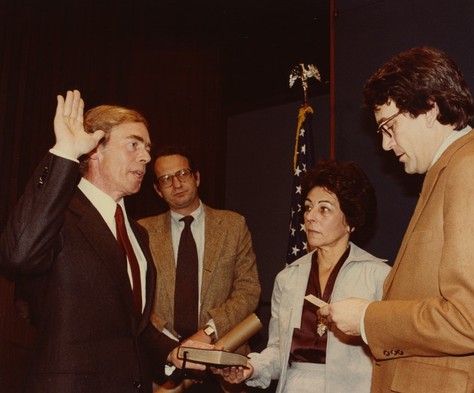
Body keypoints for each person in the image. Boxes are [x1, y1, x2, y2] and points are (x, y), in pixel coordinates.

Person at [0, 90, 212, 393]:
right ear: (96, 149)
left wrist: (171, 352)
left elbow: (129, 327)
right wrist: (64, 152)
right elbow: (18, 253)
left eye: (147, 147)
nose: (146, 157)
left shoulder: (138, 234)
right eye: (134, 144)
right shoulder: (59, 213)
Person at [319, 46, 474, 392]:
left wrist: (368, 319)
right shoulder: (449, 171)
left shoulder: (472, 167)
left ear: (430, 109)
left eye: (390, 127)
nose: (387, 146)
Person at [214, 159, 391, 392]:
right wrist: (251, 367)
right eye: (308, 207)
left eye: (324, 209)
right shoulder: (287, 279)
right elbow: (278, 352)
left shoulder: (379, 276)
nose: (310, 217)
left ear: (350, 220)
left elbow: (390, 354)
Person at [138, 146, 261, 392]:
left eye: (182, 174)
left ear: (197, 177)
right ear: (157, 190)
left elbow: (248, 291)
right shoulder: (142, 231)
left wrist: (206, 334)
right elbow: (136, 296)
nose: (176, 183)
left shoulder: (233, 225)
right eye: (166, 179)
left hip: (222, 363)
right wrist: (169, 344)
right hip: (162, 368)